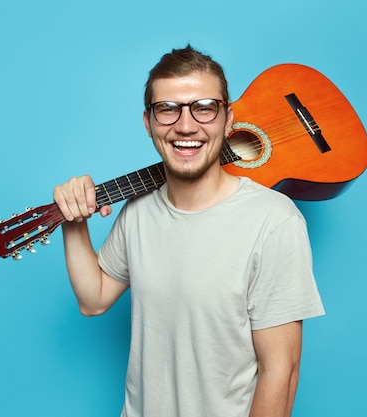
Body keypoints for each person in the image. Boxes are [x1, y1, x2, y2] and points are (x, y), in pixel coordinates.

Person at [52, 45, 325, 417]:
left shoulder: (274, 220)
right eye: (167, 109)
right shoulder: (138, 210)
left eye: (204, 107)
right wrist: (73, 222)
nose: (185, 125)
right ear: (148, 123)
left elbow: (281, 371)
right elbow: (94, 298)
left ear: (228, 120)